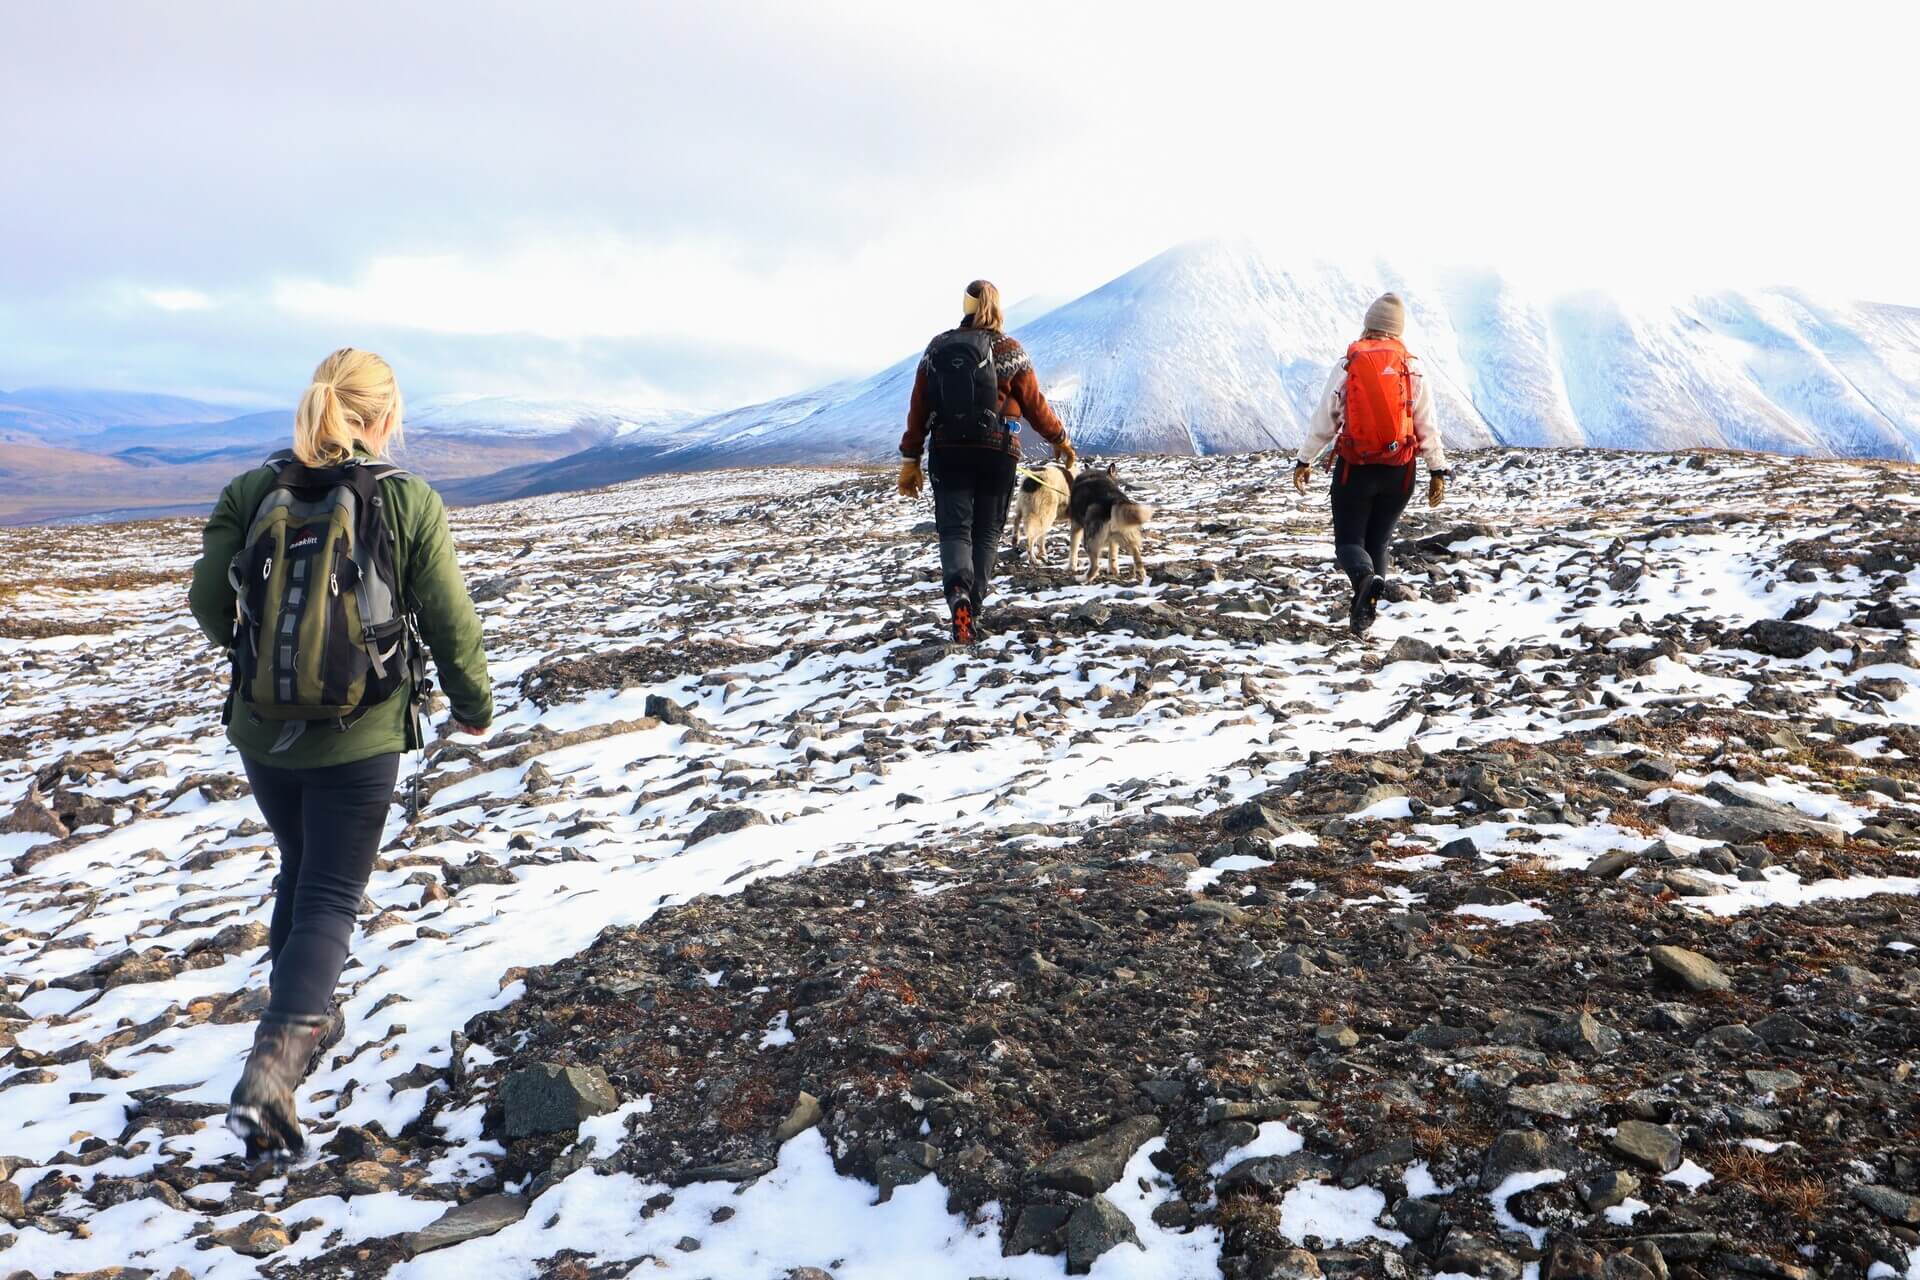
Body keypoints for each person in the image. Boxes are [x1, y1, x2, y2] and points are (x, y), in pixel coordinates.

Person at [188, 347, 493, 1157]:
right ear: (386, 417)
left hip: (263, 732)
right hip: (360, 736)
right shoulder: (407, 499)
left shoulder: (253, 489)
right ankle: (273, 1071)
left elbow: (206, 596)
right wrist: (472, 706)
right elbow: (451, 618)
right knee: (329, 892)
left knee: (299, 868)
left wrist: (253, 666)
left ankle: (291, 1029)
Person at [899, 280, 1075, 644]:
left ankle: (958, 596)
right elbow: (1035, 404)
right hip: (998, 453)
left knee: (954, 530)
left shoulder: (937, 349)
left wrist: (910, 459)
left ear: (965, 305)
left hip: (948, 451)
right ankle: (973, 608)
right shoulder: (1010, 349)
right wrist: (1060, 439)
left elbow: (919, 407)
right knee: (986, 532)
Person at [1292, 293, 1451, 634]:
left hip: (1357, 469)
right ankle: (1365, 619)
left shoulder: (1348, 364)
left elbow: (1325, 420)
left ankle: (1365, 584)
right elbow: (1426, 425)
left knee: (1349, 543)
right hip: (1400, 471)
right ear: (1398, 330)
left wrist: (1305, 460)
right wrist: (1437, 470)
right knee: (1378, 542)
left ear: (1368, 324)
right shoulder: (1414, 367)